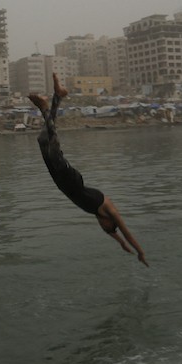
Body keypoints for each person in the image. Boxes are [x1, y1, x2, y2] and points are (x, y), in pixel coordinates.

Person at [28, 73, 148, 266]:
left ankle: (59, 96)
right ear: (110, 222)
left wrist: (122, 246)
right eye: (105, 226)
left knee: (43, 141)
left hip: (62, 183)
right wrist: (140, 252)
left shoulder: (107, 226)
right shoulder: (111, 211)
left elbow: (116, 236)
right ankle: (46, 105)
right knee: (52, 146)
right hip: (71, 180)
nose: (102, 226)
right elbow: (126, 233)